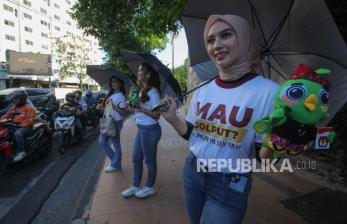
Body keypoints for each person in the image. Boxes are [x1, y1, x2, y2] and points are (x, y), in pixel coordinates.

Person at [160, 15, 279, 224]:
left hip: (230, 182)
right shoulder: (204, 88)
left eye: (226, 35)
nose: (217, 45)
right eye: (210, 40)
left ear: (244, 39)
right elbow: (193, 133)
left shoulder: (270, 93)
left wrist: (273, 141)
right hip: (193, 170)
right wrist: (172, 118)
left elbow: (264, 158)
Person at [121, 63, 162, 199]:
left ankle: (149, 187)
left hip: (150, 129)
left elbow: (157, 116)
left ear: (148, 74)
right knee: (136, 158)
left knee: (149, 160)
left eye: (140, 71)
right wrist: (131, 105)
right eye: (138, 70)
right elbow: (133, 109)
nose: (138, 73)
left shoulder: (153, 92)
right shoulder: (141, 89)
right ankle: (136, 185)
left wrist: (140, 108)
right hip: (141, 128)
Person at [98, 76, 127, 172]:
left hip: (116, 122)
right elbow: (108, 109)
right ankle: (116, 162)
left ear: (120, 83)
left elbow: (123, 113)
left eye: (116, 81)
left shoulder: (121, 96)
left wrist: (114, 106)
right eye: (112, 82)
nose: (113, 83)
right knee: (102, 142)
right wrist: (102, 107)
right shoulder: (111, 93)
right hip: (108, 120)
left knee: (115, 143)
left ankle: (115, 164)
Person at [1, 90, 36, 161]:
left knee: (18, 133)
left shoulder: (29, 107)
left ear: (22, 99)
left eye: (16, 99)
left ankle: (21, 152)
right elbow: (6, 116)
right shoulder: (13, 107)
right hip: (15, 126)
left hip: (27, 127)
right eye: (13, 99)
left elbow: (30, 120)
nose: (14, 100)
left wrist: (20, 125)